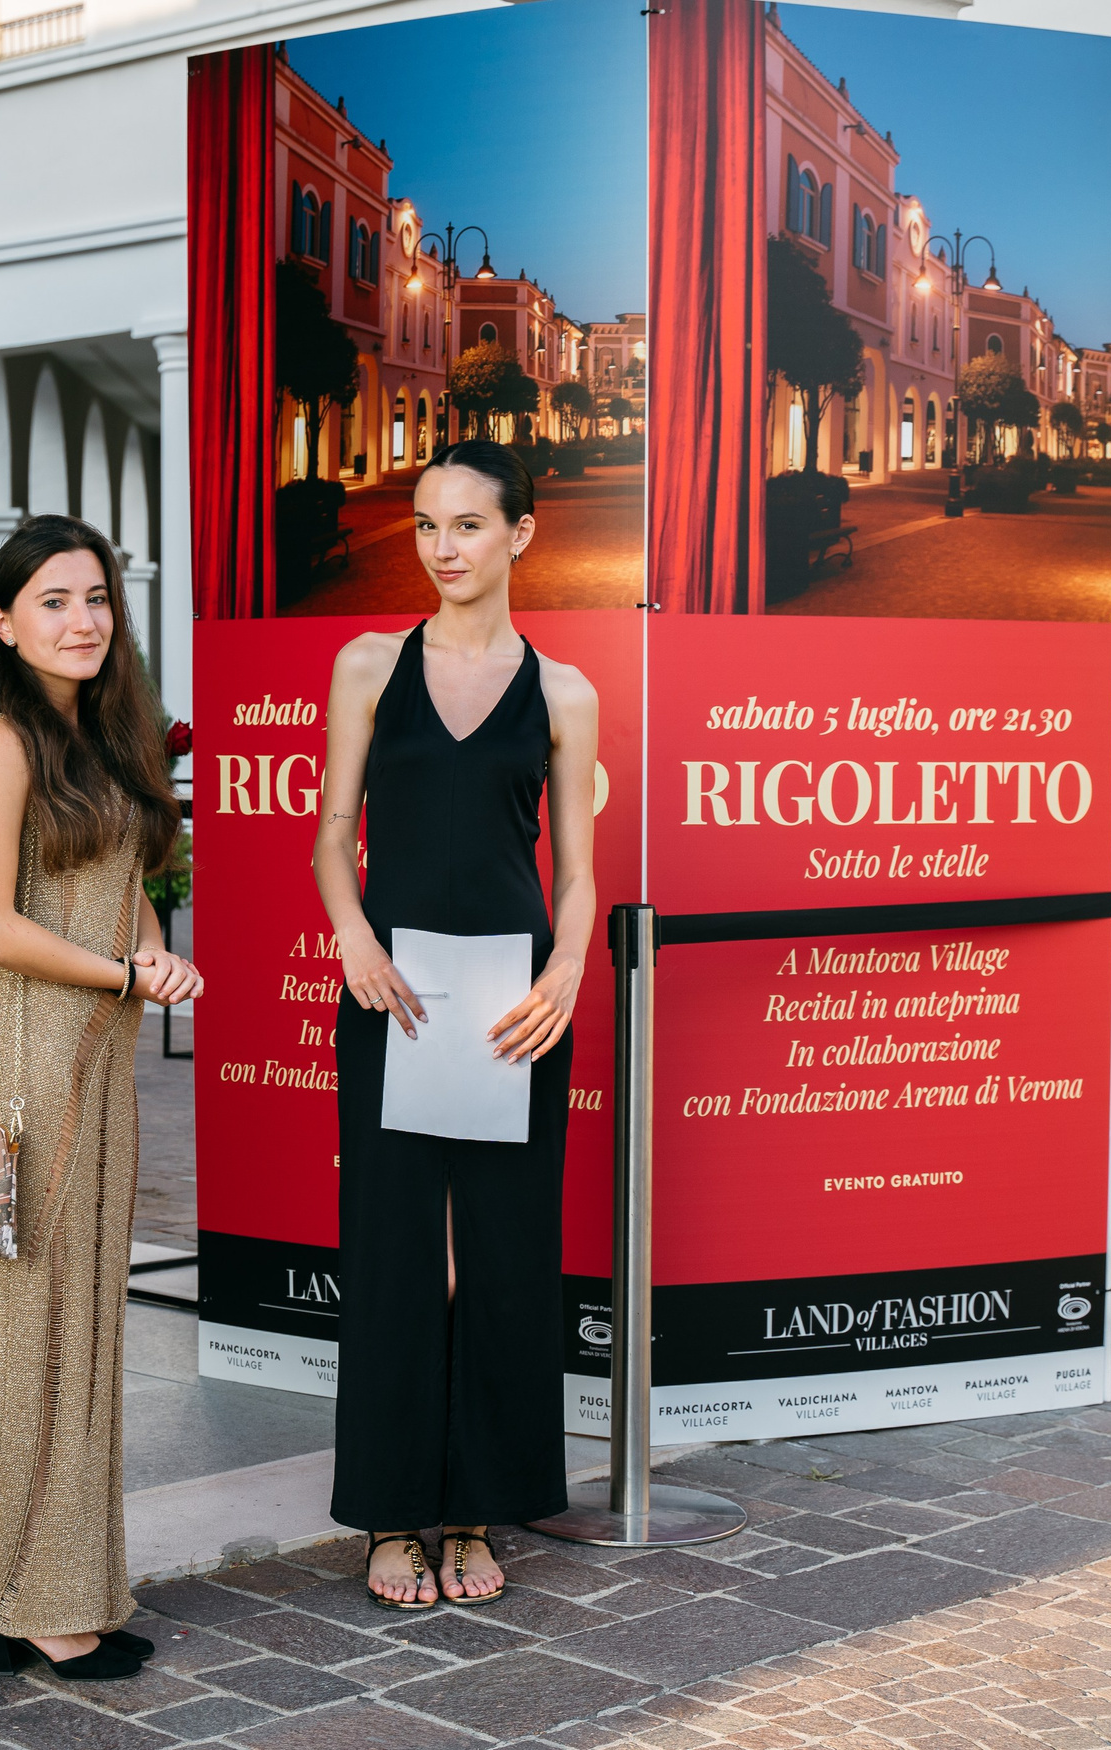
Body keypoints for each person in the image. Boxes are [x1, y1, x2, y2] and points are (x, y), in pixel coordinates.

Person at [312, 439, 599, 1609]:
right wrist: (351, 938)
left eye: (468, 525)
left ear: (520, 534)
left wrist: (571, 965)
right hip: (393, 993)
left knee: (503, 1257)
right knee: (391, 1256)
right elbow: (334, 833)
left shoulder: (567, 691)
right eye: (427, 526)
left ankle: (477, 1510)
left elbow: (574, 870)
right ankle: (391, 1516)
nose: (443, 548)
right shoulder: (368, 663)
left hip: (514, 1006)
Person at [0, 514, 200, 1681]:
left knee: (84, 1329)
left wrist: (156, 953)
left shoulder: (99, 741)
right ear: (4, 621)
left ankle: (36, 1586)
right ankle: (30, 1595)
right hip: (25, 1059)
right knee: (32, 1333)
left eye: (95, 595)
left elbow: (123, 889)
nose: (83, 618)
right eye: (52, 599)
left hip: (97, 1053)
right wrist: (119, 972)